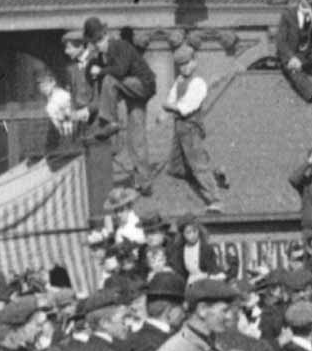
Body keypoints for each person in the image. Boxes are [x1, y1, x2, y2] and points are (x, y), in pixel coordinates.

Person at [83, 17, 158, 194]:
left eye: (100, 40)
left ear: (106, 35)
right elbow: (90, 75)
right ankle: (144, 182)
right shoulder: (102, 56)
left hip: (143, 84)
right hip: (133, 95)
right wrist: (91, 64)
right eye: (94, 43)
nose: (98, 45)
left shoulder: (120, 46)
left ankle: (109, 121)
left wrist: (100, 71)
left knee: (109, 79)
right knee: (136, 137)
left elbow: (120, 71)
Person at [159, 46, 229, 213]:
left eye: (187, 63)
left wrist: (170, 106)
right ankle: (217, 175)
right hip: (179, 127)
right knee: (176, 167)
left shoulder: (197, 83)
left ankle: (216, 199)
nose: (184, 67)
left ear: (194, 62)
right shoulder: (179, 81)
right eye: (181, 65)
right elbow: (170, 100)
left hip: (190, 127)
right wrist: (167, 110)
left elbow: (186, 107)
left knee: (197, 165)